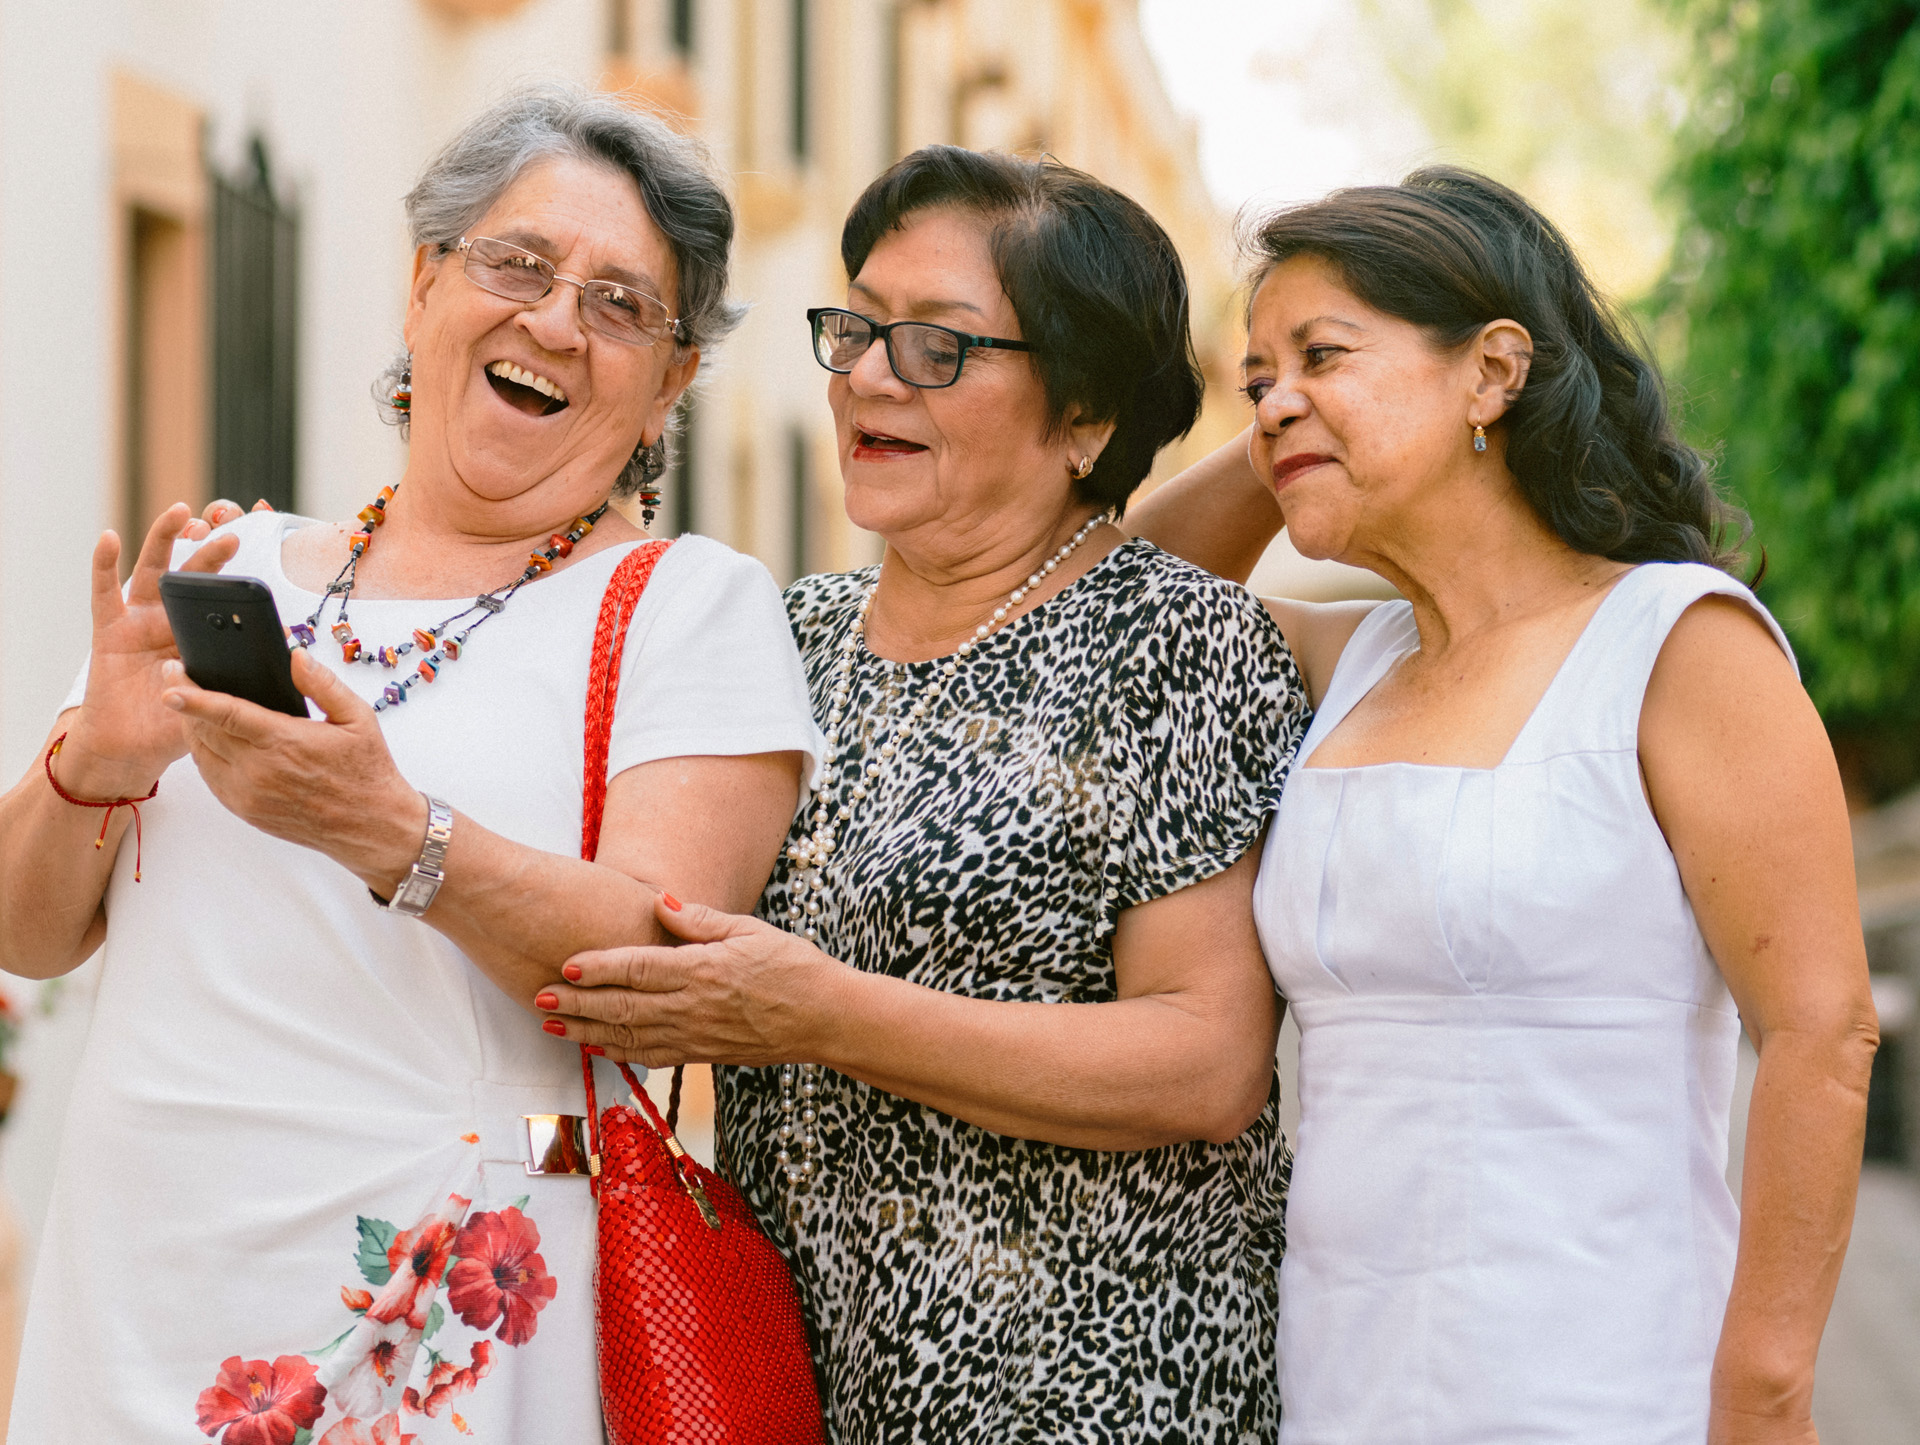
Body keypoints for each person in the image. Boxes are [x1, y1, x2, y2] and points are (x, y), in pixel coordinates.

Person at [0, 85, 821, 1444]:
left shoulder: (692, 606)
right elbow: (27, 934)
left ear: (672, 381)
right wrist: (97, 756)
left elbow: (668, 973)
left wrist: (396, 835)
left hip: (443, 1309)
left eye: (622, 305)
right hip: (144, 1283)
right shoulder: (234, 570)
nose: (556, 320)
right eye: (517, 264)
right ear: (425, 283)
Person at [537, 146, 1312, 1443]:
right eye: (859, 325)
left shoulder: (1178, 640)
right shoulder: (790, 638)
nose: (870, 375)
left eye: (940, 345)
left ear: (1086, 415)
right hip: (803, 1381)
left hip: (1098, 1388)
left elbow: (1205, 1059)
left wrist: (820, 1012)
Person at [1128, 167, 1880, 1444]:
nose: (1272, 404)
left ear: (1492, 372)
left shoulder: (1677, 644)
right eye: (1255, 380)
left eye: (1325, 351)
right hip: (1339, 1383)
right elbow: (1132, 593)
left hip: (1608, 1384)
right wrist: (1300, 428)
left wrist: (1763, 1393)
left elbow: (1823, 1031)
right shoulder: (1345, 662)